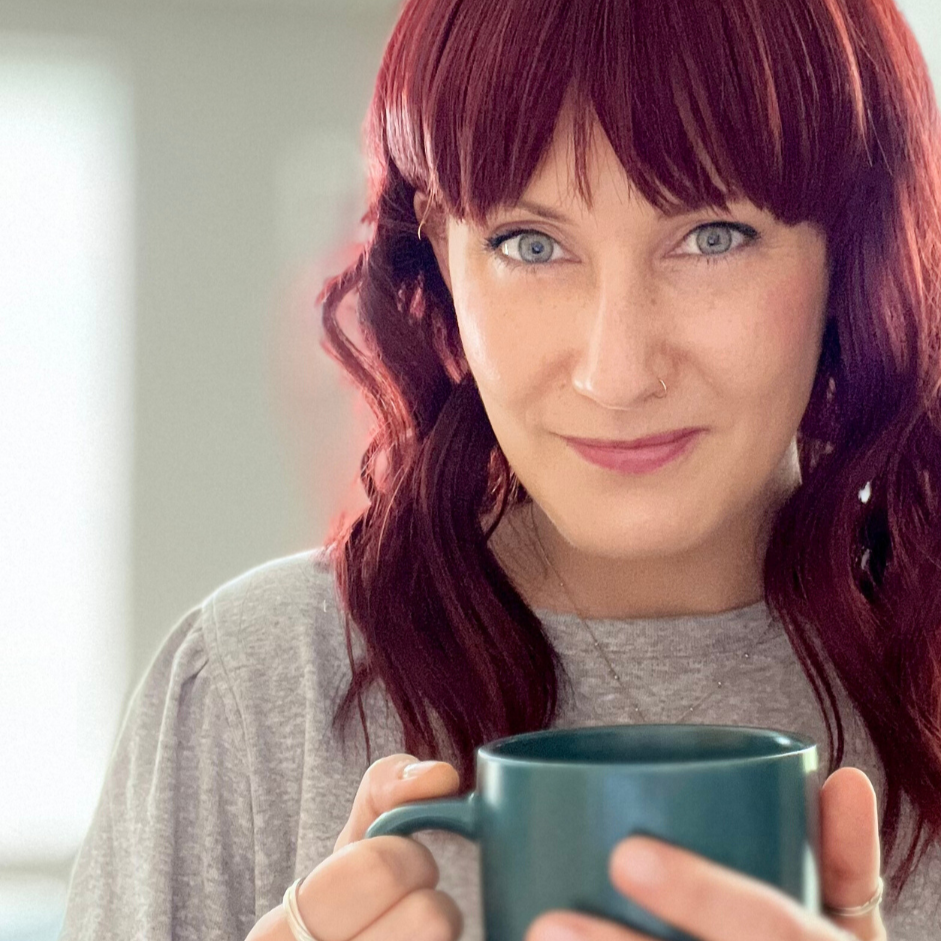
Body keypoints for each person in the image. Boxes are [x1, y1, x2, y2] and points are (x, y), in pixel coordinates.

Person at [58, 0, 941, 939]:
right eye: (530, 243)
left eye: (712, 235)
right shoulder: (252, 685)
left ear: (851, 250)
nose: (616, 372)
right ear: (442, 256)